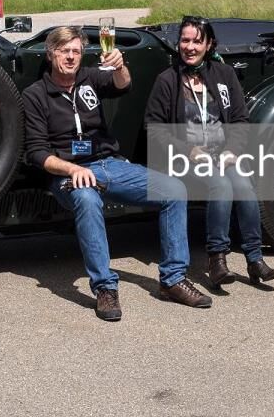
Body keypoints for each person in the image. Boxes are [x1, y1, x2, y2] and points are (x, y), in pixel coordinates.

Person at [23, 25, 212, 321]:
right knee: (86, 199)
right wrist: (72, 169)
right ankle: (105, 288)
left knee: (174, 190)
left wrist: (121, 66)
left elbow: (122, 85)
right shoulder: (35, 95)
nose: (71, 57)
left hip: (109, 164)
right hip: (67, 174)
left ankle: (173, 280)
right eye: (65, 51)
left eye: (76, 51)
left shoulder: (89, 77)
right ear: (51, 54)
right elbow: (37, 152)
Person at [144, 16, 274, 288]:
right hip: (185, 157)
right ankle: (217, 259)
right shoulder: (167, 80)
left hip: (222, 154)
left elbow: (241, 119)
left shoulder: (224, 74)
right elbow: (154, 128)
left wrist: (232, 150)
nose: (190, 47)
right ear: (178, 43)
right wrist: (188, 150)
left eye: (197, 41)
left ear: (209, 45)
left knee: (243, 186)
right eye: (185, 40)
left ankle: (255, 259)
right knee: (220, 185)